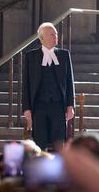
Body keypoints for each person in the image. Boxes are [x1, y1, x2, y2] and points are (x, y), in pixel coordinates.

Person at [22, 22, 75, 151]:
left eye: (56, 34)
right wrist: (26, 108)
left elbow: (69, 81)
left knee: (59, 142)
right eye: (52, 34)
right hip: (38, 105)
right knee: (40, 142)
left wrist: (70, 105)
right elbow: (26, 83)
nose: (56, 36)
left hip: (58, 105)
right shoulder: (31, 56)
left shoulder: (64, 55)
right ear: (42, 38)